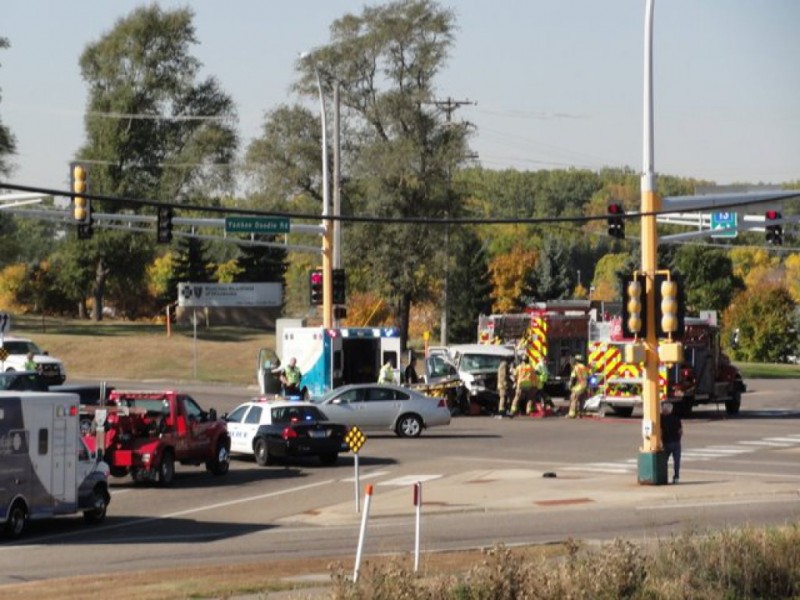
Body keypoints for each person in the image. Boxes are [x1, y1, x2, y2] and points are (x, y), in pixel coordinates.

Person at [661, 401, 683, 484]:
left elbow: (660, 431)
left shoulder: (661, 418)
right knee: (676, 461)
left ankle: (663, 476)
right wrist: (678, 440)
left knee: (663, 461)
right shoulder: (676, 418)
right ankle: (676, 477)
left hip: (666, 443)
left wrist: (661, 441)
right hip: (676, 442)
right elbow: (680, 431)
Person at [567, 354, 589, 418]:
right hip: (585, 385)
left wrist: (570, 385)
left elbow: (573, 377)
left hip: (579, 386)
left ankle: (572, 414)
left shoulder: (576, 367)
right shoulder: (584, 367)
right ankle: (580, 413)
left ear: (576, 361)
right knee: (582, 400)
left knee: (573, 398)